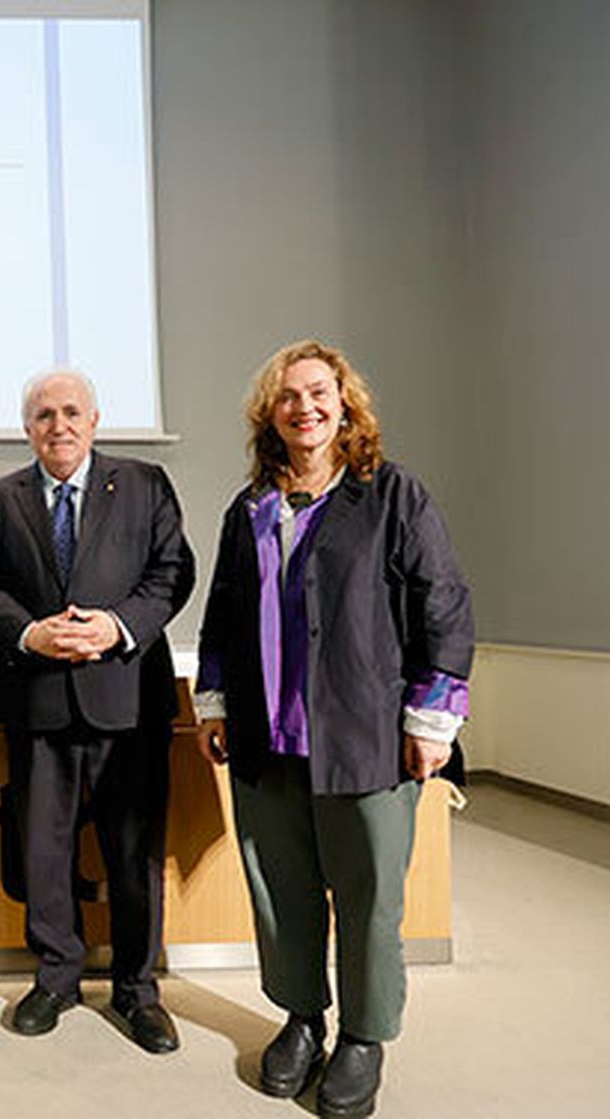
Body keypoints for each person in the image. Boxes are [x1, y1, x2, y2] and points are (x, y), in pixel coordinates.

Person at [193, 340, 473, 1118]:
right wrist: (214, 700)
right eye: (288, 396)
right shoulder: (249, 508)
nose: (304, 407)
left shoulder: (392, 496)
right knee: (281, 891)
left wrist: (433, 716)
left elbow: (443, 605)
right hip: (266, 741)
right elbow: (221, 613)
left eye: (320, 392)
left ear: (346, 404)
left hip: (366, 741)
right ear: (269, 414)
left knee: (368, 895)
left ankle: (364, 1035)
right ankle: (302, 1017)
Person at [0, 370, 194, 1049]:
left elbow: (173, 570)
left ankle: (137, 989)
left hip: (126, 694)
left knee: (132, 852)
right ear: (26, 427)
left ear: (95, 420)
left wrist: (116, 625)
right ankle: (56, 975)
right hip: (38, 699)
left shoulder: (144, 483)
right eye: (42, 415)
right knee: (44, 848)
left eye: (69, 412)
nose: (57, 425)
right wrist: (29, 632)